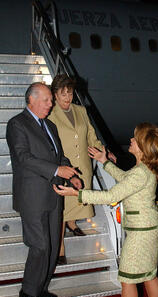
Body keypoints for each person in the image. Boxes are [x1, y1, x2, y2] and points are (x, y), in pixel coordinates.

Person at [53, 123, 158, 297]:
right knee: (149, 275)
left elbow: (112, 195)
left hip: (141, 232)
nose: (132, 141)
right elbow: (126, 180)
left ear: (143, 148)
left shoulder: (139, 173)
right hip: (148, 227)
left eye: (135, 139)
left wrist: (77, 194)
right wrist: (104, 162)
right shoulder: (143, 170)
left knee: (127, 280)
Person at [6, 82, 81, 297]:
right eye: (48, 100)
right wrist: (58, 170)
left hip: (53, 194)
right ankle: (27, 293)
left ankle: (41, 288)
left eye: (51, 100)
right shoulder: (17, 124)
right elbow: (23, 158)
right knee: (39, 246)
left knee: (50, 247)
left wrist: (71, 175)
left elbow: (58, 155)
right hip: (32, 197)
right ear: (32, 100)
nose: (52, 104)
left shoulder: (49, 125)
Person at [48, 74, 116, 265]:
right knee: (61, 209)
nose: (67, 98)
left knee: (78, 201)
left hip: (82, 165)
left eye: (69, 93)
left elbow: (91, 136)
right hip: (64, 167)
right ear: (54, 95)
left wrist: (104, 152)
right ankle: (60, 248)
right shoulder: (50, 113)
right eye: (63, 94)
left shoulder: (81, 111)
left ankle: (73, 223)